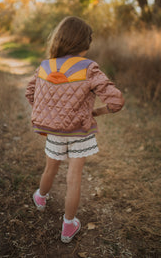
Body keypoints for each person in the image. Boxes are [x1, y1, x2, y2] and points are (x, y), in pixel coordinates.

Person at [25, 16, 125, 243]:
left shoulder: (44, 66)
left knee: (50, 168)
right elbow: (116, 101)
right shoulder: (89, 68)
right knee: (74, 177)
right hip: (79, 132)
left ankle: (40, 198)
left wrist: (50, 114)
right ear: (84, 42)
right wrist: (96, 113)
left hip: (54, 132)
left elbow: (29, 93)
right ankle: (68, 225)